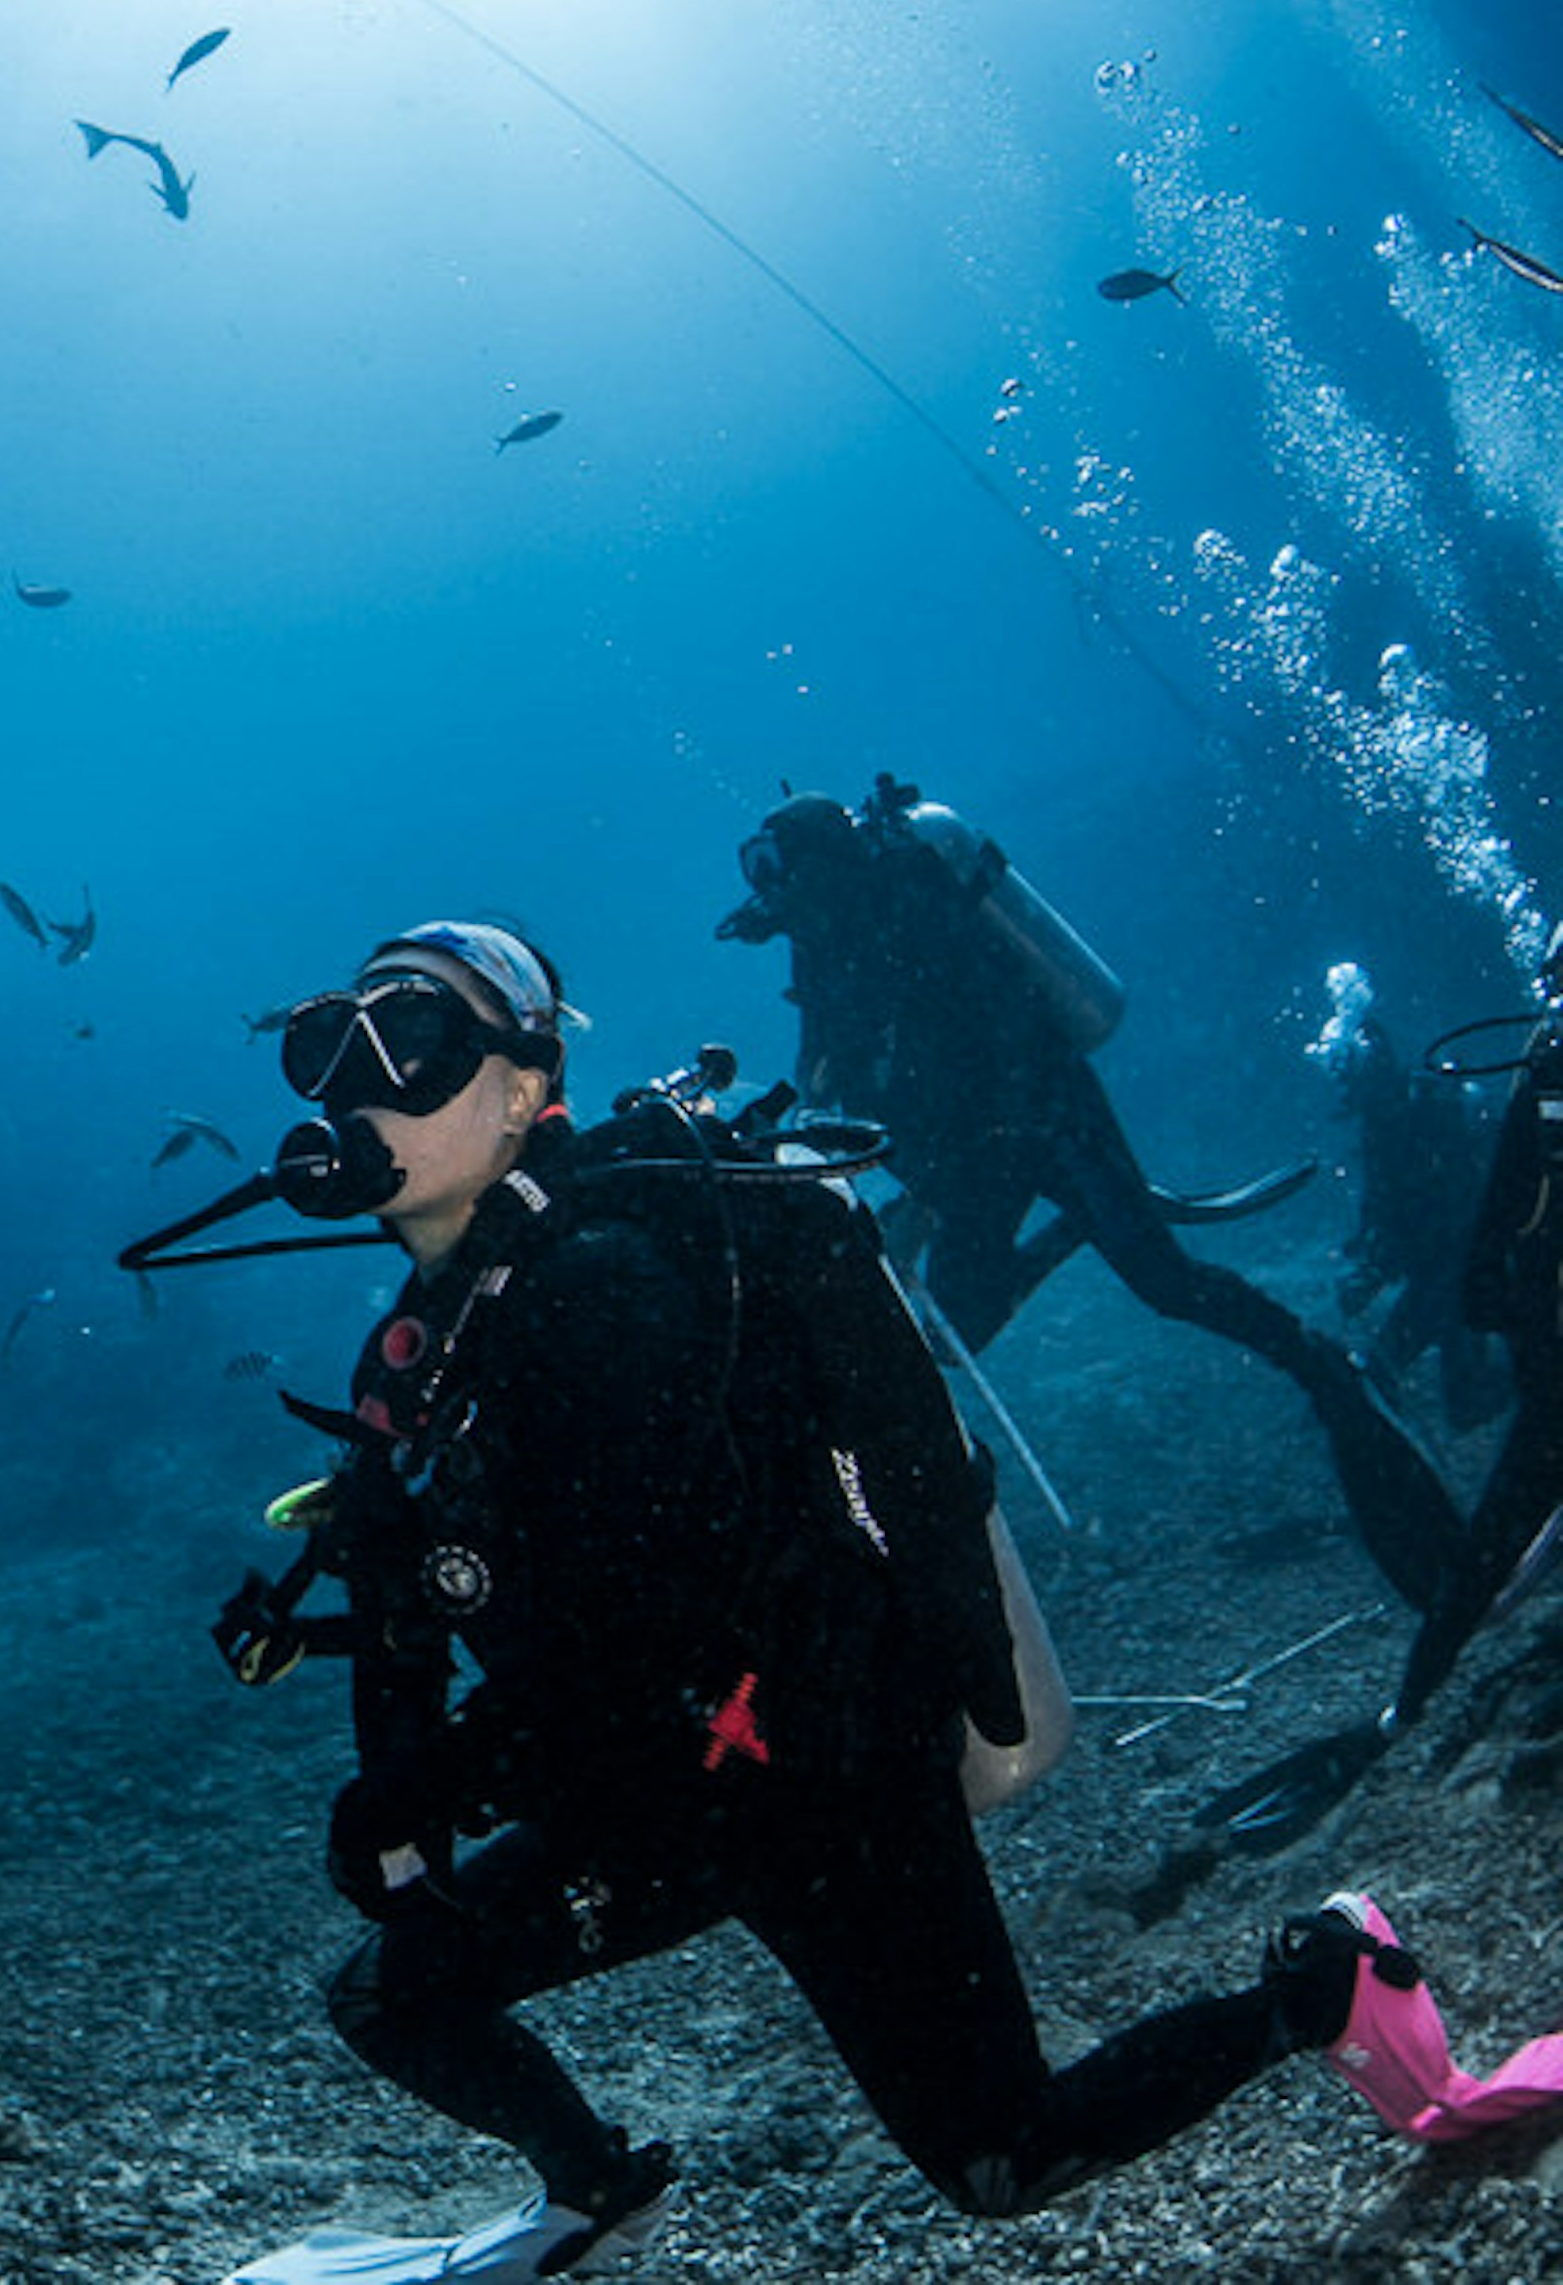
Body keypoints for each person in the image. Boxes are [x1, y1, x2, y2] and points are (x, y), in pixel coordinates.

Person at [203, 919, 1387, 2284]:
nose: (360, 1094)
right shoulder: (428, 1339)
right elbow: (438, 1586)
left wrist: (444, 1780)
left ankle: (1326, 1986)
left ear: (526, 1090)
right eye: (326, 1056)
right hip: (657, 1790)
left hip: (819, 1768)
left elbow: (663, 1626)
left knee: (1007, 2152)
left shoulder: (606, 1292)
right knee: (392, 1989)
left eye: (410, 1047)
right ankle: (595, 2192)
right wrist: (402, 1753)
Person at [717, 776, 1468, 1622]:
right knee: (959, 1330)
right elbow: (832, 1062)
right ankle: (1078, 1232)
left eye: (780, 867)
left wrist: (939, 1179)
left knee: (1165, 1282)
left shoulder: (910, 891)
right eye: (762, 871)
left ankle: (1308, 1353)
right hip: (967, 1158)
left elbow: (992, 1033)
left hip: (1050, 1120)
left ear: (822, 861)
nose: (771, 889)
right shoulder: (821, 938)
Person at [1385, 955, 1563, 1725]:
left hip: (1546, 1360)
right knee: (1497, 1537)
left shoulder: (1538, 1085)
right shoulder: (1540, 1089)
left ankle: (1411, 1701)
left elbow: (1484, 1267)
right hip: (1549, 1363)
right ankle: (1413, 1699)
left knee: (1493, 1540)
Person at [1326, 1004, 1505, 1438]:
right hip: (1445, 1271)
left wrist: (1380, 1269)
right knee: (1465, 1401)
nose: (1360, 1098)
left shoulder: (1433, 1110)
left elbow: (1454, 1211)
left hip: (1462, 1268)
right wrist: (1371, 1267)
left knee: (1393, 1370)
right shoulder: (1381, 1129)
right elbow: (1385, 1212)